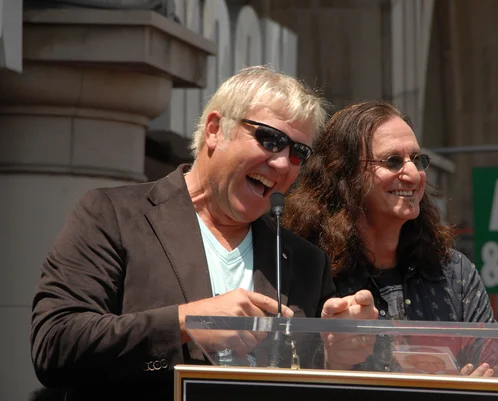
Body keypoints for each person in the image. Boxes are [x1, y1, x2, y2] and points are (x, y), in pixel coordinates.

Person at [30, 66, 376, 401]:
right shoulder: (113, 215)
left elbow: (308, 384)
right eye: (270, 140)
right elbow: (56, 344)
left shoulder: (304, 261)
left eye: (298, 152)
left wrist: (336, 356)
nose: (283, 163)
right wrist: (188, 322)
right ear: (215, 129)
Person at [283, 100, 498, 375]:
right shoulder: (306, 271)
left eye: (417, 159)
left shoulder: (455, 273)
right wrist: (332, 359)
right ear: (346, 174)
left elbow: (495, 370)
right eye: (393, 161)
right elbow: (284, 372)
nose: (413, 174)